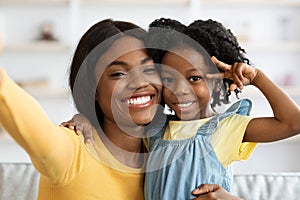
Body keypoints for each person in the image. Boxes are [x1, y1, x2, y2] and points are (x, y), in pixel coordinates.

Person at [0, 19, 163, 200]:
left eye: (149, 69)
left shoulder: (166, 152)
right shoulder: (72, 151)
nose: (140, 83)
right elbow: (37, 130)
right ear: (92, 88)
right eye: (119, 74)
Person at [142, 18, 300, 199]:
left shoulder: (226, 128)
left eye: (194, 78)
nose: (179, 90)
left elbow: (293, 123)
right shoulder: (155, 129)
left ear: (218, 83)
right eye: (169, 79)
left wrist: (257, 77)